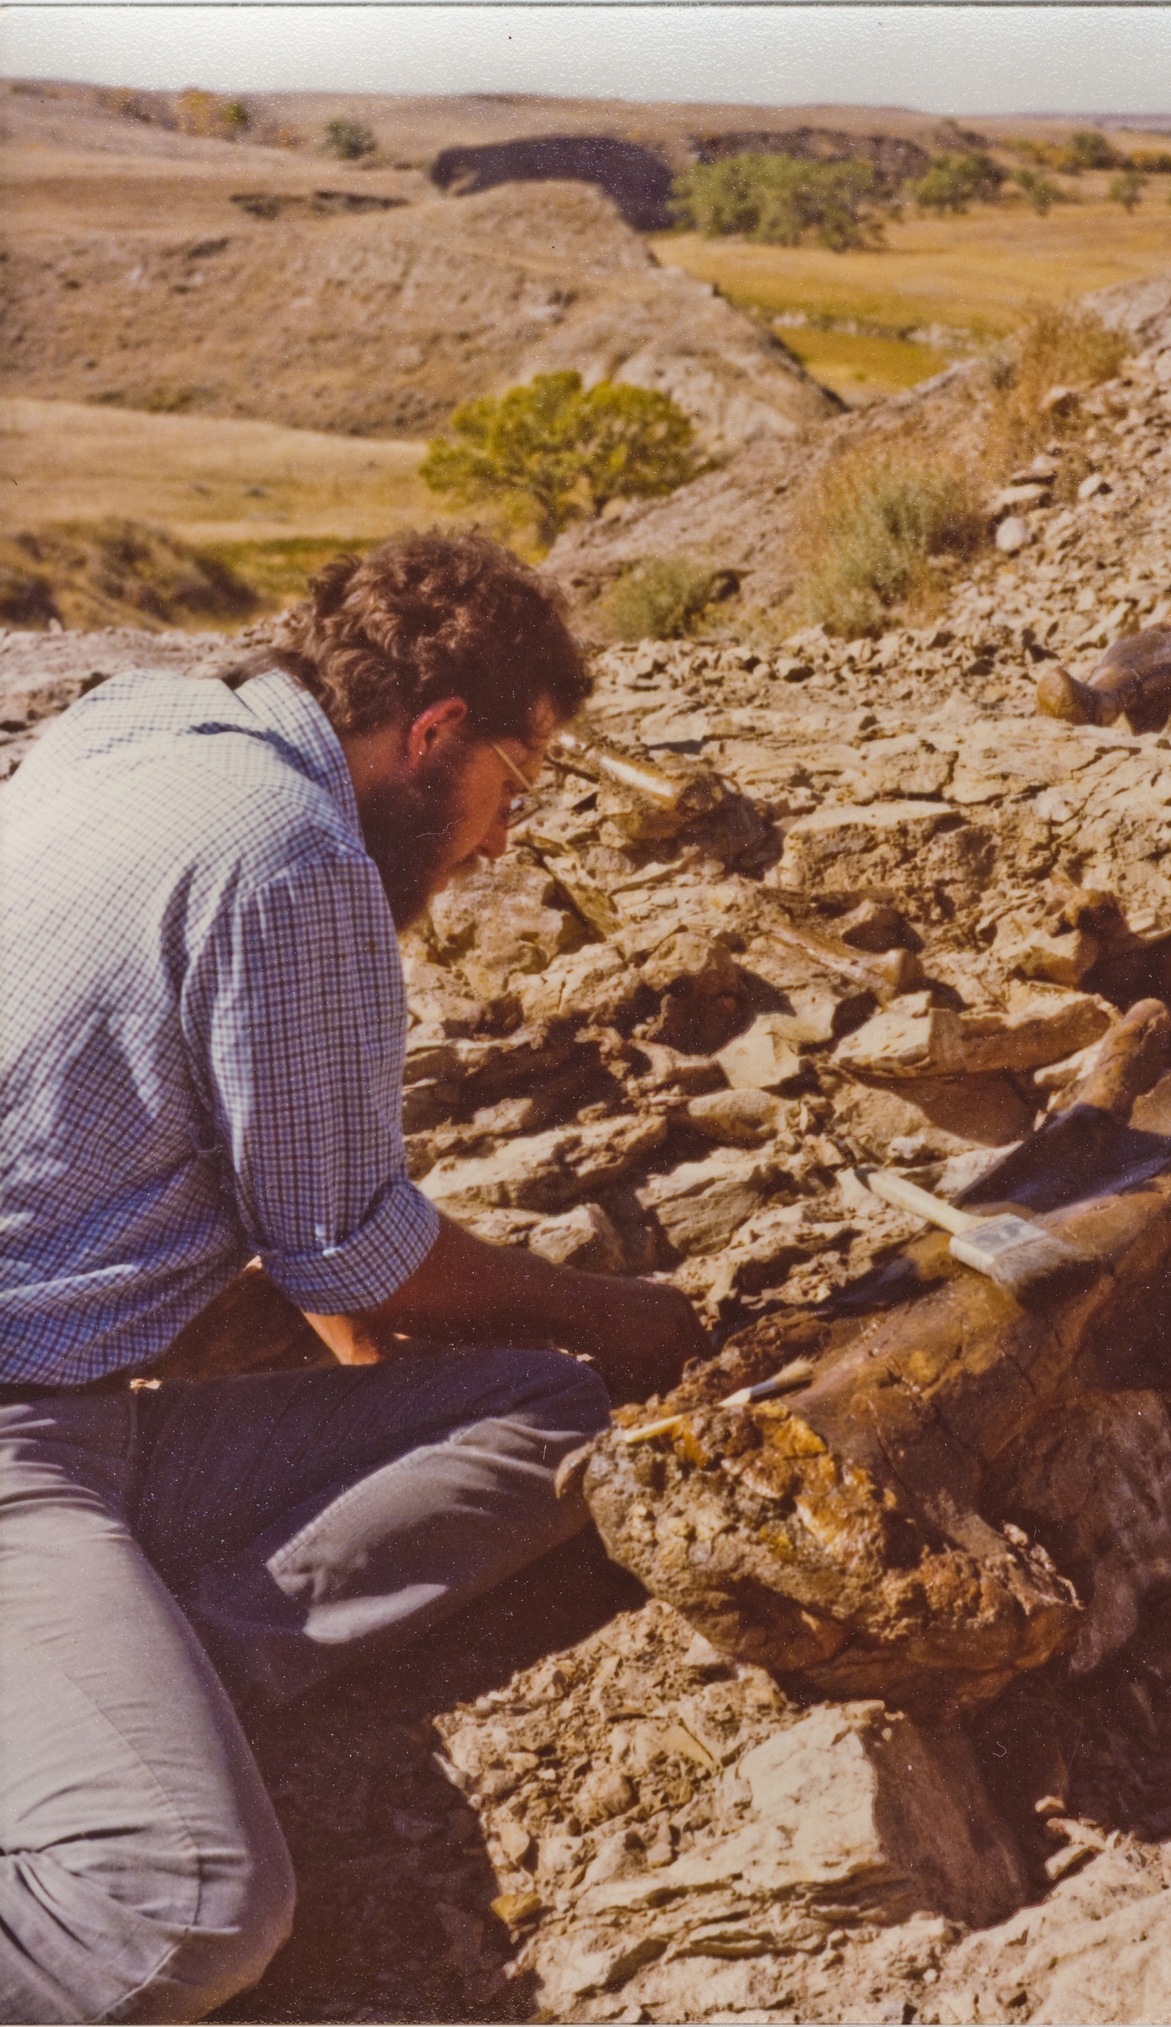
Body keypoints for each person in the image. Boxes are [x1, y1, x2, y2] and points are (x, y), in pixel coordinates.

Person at [0, 532, 709, 2023]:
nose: (503, 839)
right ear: (436, 730)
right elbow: (353, 1246)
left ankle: (121, 1676)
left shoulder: (133, 723)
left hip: (75, 1403)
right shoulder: (297, 851)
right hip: (18, 1433)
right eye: (513, 783)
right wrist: (620, 1312)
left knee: (541, 1409)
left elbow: (304, 1226)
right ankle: (94, 1732)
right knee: (181, 1903)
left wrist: (383, 1336)